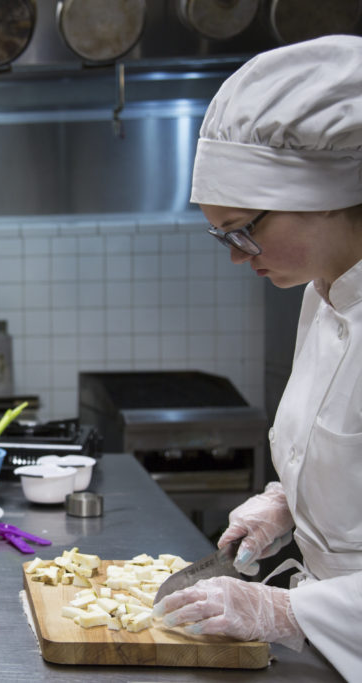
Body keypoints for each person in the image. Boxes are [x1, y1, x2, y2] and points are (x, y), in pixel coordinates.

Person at [153, 35, 362, 680]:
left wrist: (292, 615)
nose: (239, 256)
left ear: (329, 195)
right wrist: (288, 501)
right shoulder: (322, 294)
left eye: (245, 227)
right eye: (223, 236)